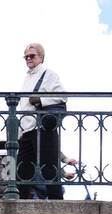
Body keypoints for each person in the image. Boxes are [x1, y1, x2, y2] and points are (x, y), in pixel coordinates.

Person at [17, 43, 66, 200]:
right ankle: (19, 208)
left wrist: (40, 99)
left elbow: (62, 96)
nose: (28, 59)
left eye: (32, 56)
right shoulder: (27, 77)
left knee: (50, 169)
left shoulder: (49, 74)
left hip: (42, 127)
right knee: (22, 171)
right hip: (27, 129)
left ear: (41, 57)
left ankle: (58, 206)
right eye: (26, 56)